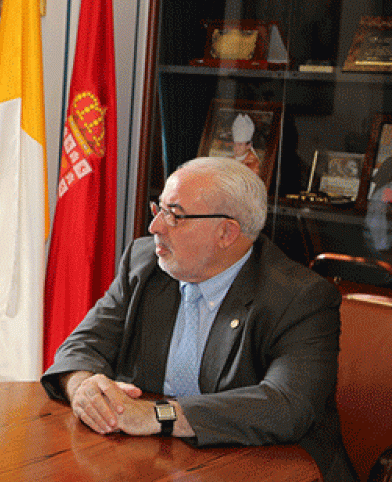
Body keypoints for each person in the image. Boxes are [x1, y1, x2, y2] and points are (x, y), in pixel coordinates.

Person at [41, 156, 357, 482]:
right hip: (159, 462)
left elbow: (286, 405)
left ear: (226, 233)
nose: (155, 227)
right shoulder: (144, 263)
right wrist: (84, 388)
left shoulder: (299, 298)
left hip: (273, 468)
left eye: (175, 215)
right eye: (159, 209)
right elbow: (83, 344)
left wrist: (157, 415)